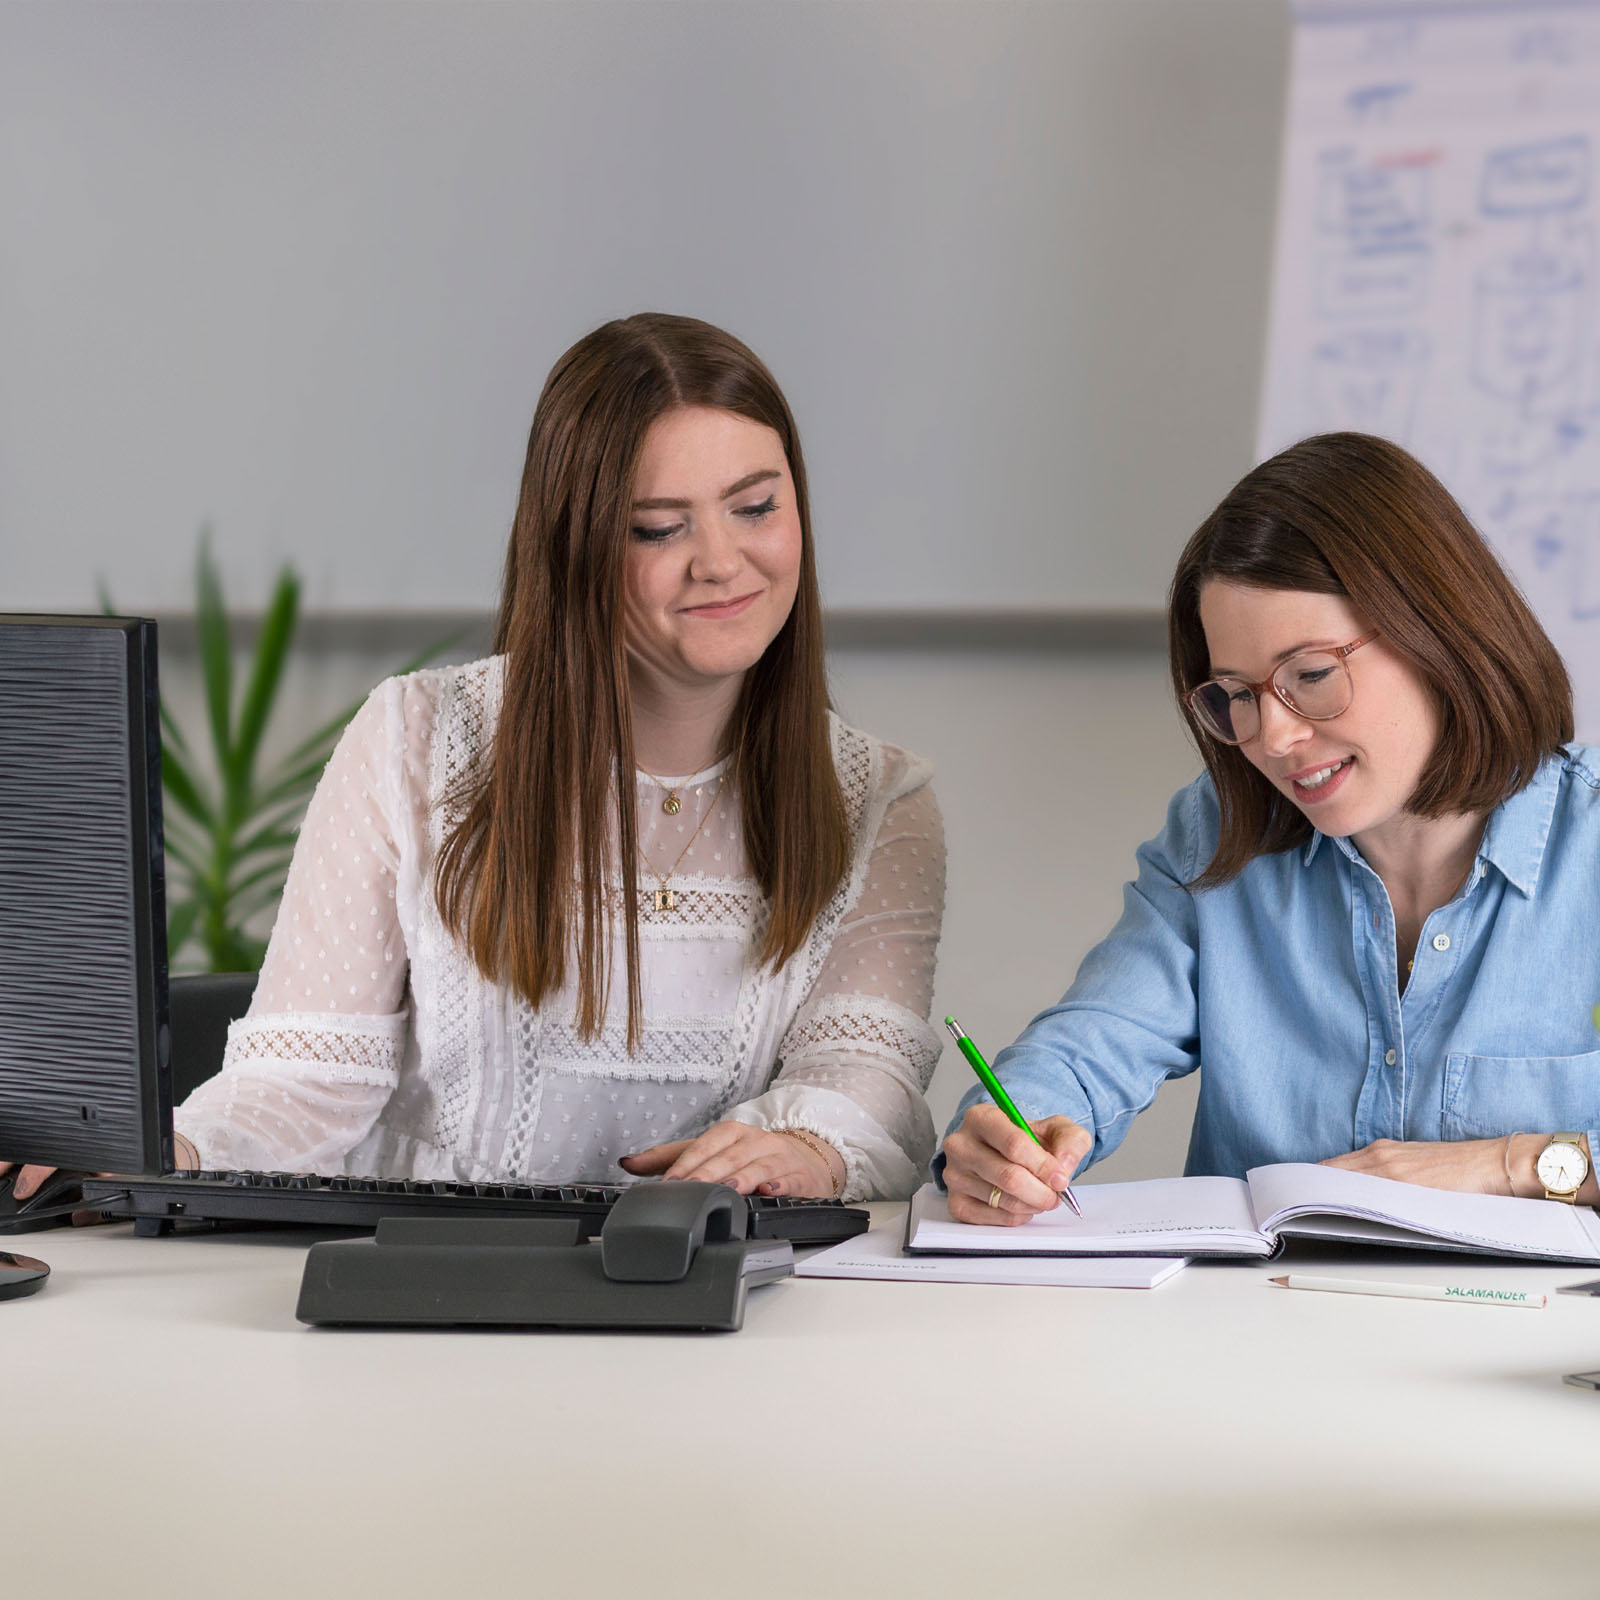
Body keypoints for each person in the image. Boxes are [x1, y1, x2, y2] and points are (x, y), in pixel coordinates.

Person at [4, 313, 946, 1208]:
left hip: (717, 1297)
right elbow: (305, 1079)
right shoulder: (412, 737)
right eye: (659, 527)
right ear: (574, 543)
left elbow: (860, 1076)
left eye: (755, 507)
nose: (722, 561)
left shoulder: (879, 797)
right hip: (415, 1297)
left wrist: (808, 1148)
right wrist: (170, 1150)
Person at [940, 431, 1600, 1224]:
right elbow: (1088, 1049)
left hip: (1530, 1345)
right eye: (1237, 695)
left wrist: (1510, 1165)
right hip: (1263, 1333)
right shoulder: (1215, 835)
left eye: (1311, 676)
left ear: (1438, 630)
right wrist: (1003, 1138)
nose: (1275, 738)